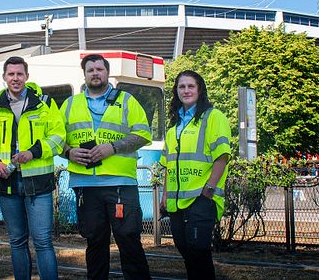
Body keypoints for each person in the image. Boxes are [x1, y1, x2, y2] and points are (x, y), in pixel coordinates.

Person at [60, 53, 152, 280]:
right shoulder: (70, 104)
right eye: (90, 70)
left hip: (120, 183)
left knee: (128, 239)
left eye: (99, 69)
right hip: (85, 185)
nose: (95, 73)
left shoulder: (127, 100)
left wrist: (113, 147)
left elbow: (143, 134)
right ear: (84, 74)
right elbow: (55, 139)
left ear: (107, 72)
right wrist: (69, 152)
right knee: (95, 242)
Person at [0, 56, 65, 280]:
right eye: (11, 74)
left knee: (43, 241)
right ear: (4, 78)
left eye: (20, 74)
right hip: (6, 182)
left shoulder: (45, 103)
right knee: (17, 241)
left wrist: (34, 152)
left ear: (27, 77)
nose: (15, 78)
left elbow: (59, 137)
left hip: (38, 183)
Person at [159, 70, 231, 280]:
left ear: (200, 89)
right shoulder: (175, 127)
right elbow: (168, 166)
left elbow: (222, 156)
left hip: (201, 199)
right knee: (186, 253)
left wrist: (208, 191)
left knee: (199, 252)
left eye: (191, 86)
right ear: (176, 91)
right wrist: (164, 195)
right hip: (176, 203)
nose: (186, 90)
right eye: (182, 86)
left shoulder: (213, 117)